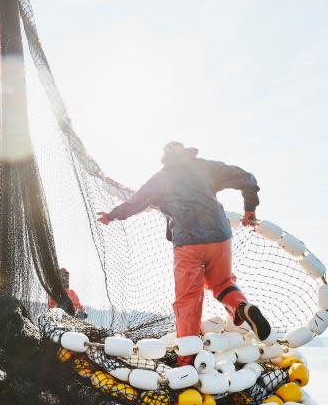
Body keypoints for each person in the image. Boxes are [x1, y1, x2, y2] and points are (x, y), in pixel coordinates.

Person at [96, 141, 271, 343]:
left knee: (188, 299)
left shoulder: (161, 179)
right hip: (220, 236)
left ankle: (187, 358)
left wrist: (111, 215)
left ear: (166, 158)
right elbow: (247, 179)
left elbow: (135, 203)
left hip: (188, 242)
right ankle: (241, 307)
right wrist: (250, 209)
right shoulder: (206, 167)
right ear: (187, 153)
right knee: (222, 283)